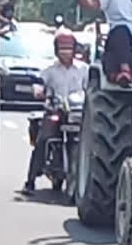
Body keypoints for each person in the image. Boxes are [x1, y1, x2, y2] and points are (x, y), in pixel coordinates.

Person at [22, 30, 88, 195]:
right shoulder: (50, 70)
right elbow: (39, 83)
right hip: (55, 111)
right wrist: (38, 90)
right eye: (62, 48)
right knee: (43, 139)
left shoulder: (84, 69)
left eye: (69, 48)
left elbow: (91, 87)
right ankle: (30, 180)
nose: (65, 52)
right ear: (56, 50)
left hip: (77, 113)